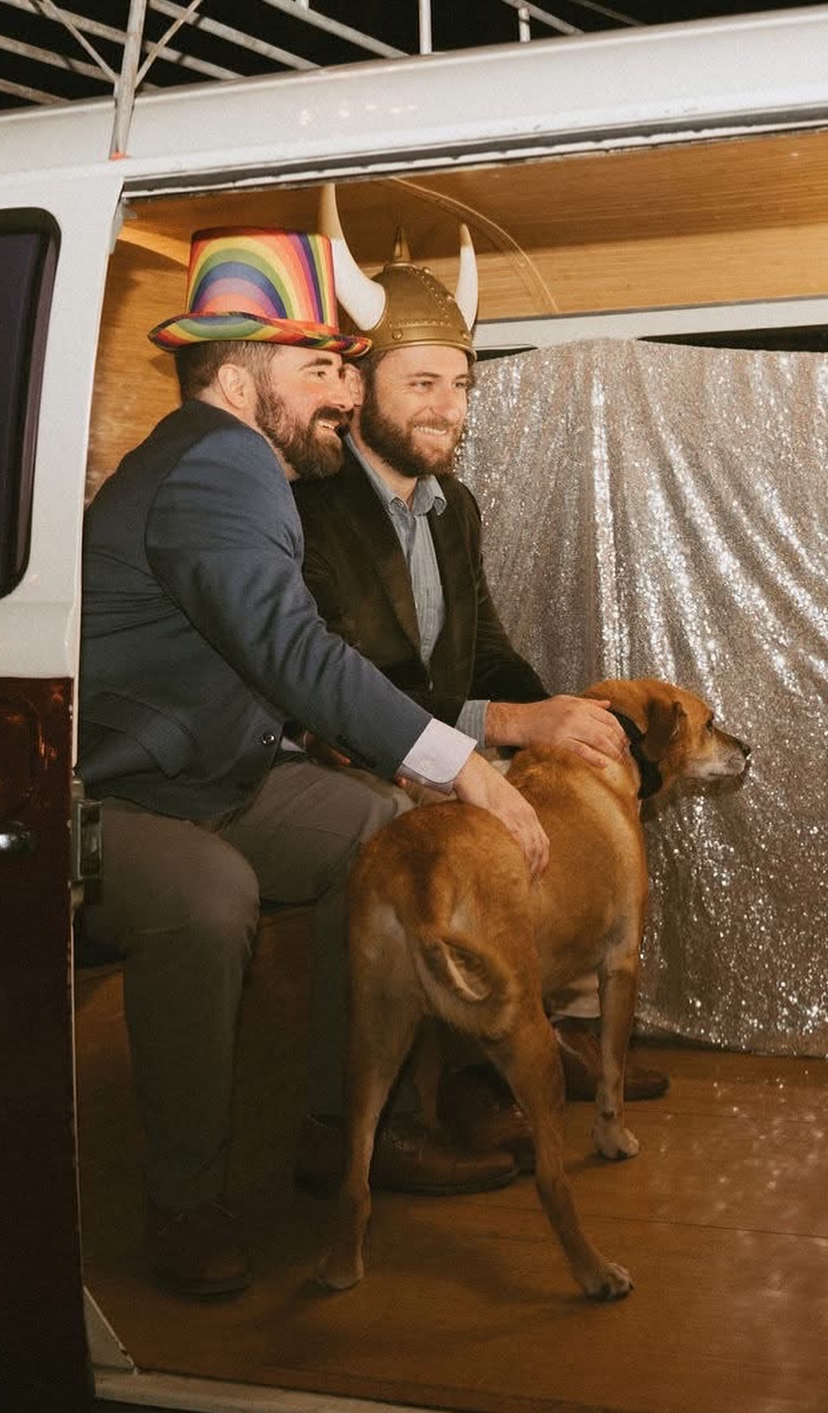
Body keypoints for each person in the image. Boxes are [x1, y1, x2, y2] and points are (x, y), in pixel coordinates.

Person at [76, 226, 549, 1299]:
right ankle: (184, 1198)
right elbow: (294, 652)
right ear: (241, 373)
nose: (344, 390)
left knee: (375, 823)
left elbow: (276, 655)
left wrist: (412, 768)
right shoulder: (213, 460)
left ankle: (347, 1132)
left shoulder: (235, 463)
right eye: (323, 365)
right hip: (116, 796)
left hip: (211, 776)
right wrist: (466, 764)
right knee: (210, 893)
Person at [292, 209, 670, 1165]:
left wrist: (561, 726)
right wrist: (504, 722)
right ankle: (414, 1104)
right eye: (422, 383)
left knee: (551, 809)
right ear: (359, 382)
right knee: (438, 837)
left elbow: (484, 649)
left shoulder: (452, 506)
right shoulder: (307, 510)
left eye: (459, 385)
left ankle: (529, 1041)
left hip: (439, 745)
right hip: (346, 754)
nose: (448, 409)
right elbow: (348, 689)